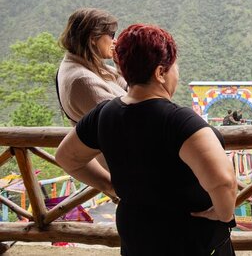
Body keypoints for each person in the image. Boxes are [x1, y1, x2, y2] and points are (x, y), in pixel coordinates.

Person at [56, 24, 237, 256]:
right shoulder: (179, 122)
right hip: (190, 238)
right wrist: (223, 213)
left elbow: (67, 157)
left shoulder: (103, 114)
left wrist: (108, 185)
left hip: (137, 236)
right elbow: (223, 182)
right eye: (173, 66)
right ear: (160, 73)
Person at [57, 8, 127, 125]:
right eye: (111, 35)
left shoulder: (88, 66)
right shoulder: (83, 80)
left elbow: (127, 88)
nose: (115, 41)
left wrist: (120, 65)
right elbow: (127, 120)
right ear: (93, 38)